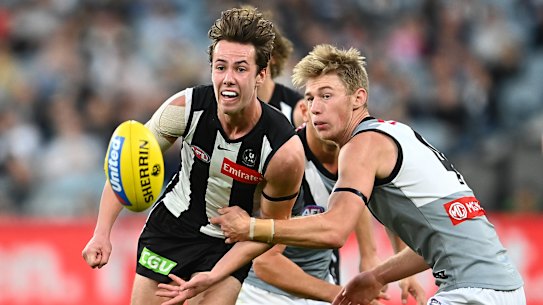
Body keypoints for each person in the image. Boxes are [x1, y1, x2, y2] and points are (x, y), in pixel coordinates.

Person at [158, 44, 526, 305]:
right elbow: (434, 241)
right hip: (501, 288)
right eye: (311, 98)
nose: (315, 108)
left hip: (473, 292)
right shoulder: (396, 135)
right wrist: (376, 275)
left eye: (327, 96)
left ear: (358, 98)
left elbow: (336, 228)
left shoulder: (360, 147)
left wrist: (252, 228)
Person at [81, 7, 305, 305]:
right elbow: (127, 165)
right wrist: (101, 233)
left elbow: (270, 229)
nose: (228, 78)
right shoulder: (184, 108)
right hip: (171, 229)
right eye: (220, 67)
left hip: (229, 246)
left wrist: (215, 274)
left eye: (240, 69)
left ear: (261, 74)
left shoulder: (283, 151)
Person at [235, 98, 427, 305]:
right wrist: (346, 295)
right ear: (304, 111)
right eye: (317, 103)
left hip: (317, 284)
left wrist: (371, 255)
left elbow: (358, 199)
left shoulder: (356, 156)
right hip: (263, 294)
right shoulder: (289, 162)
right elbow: (266, 262)